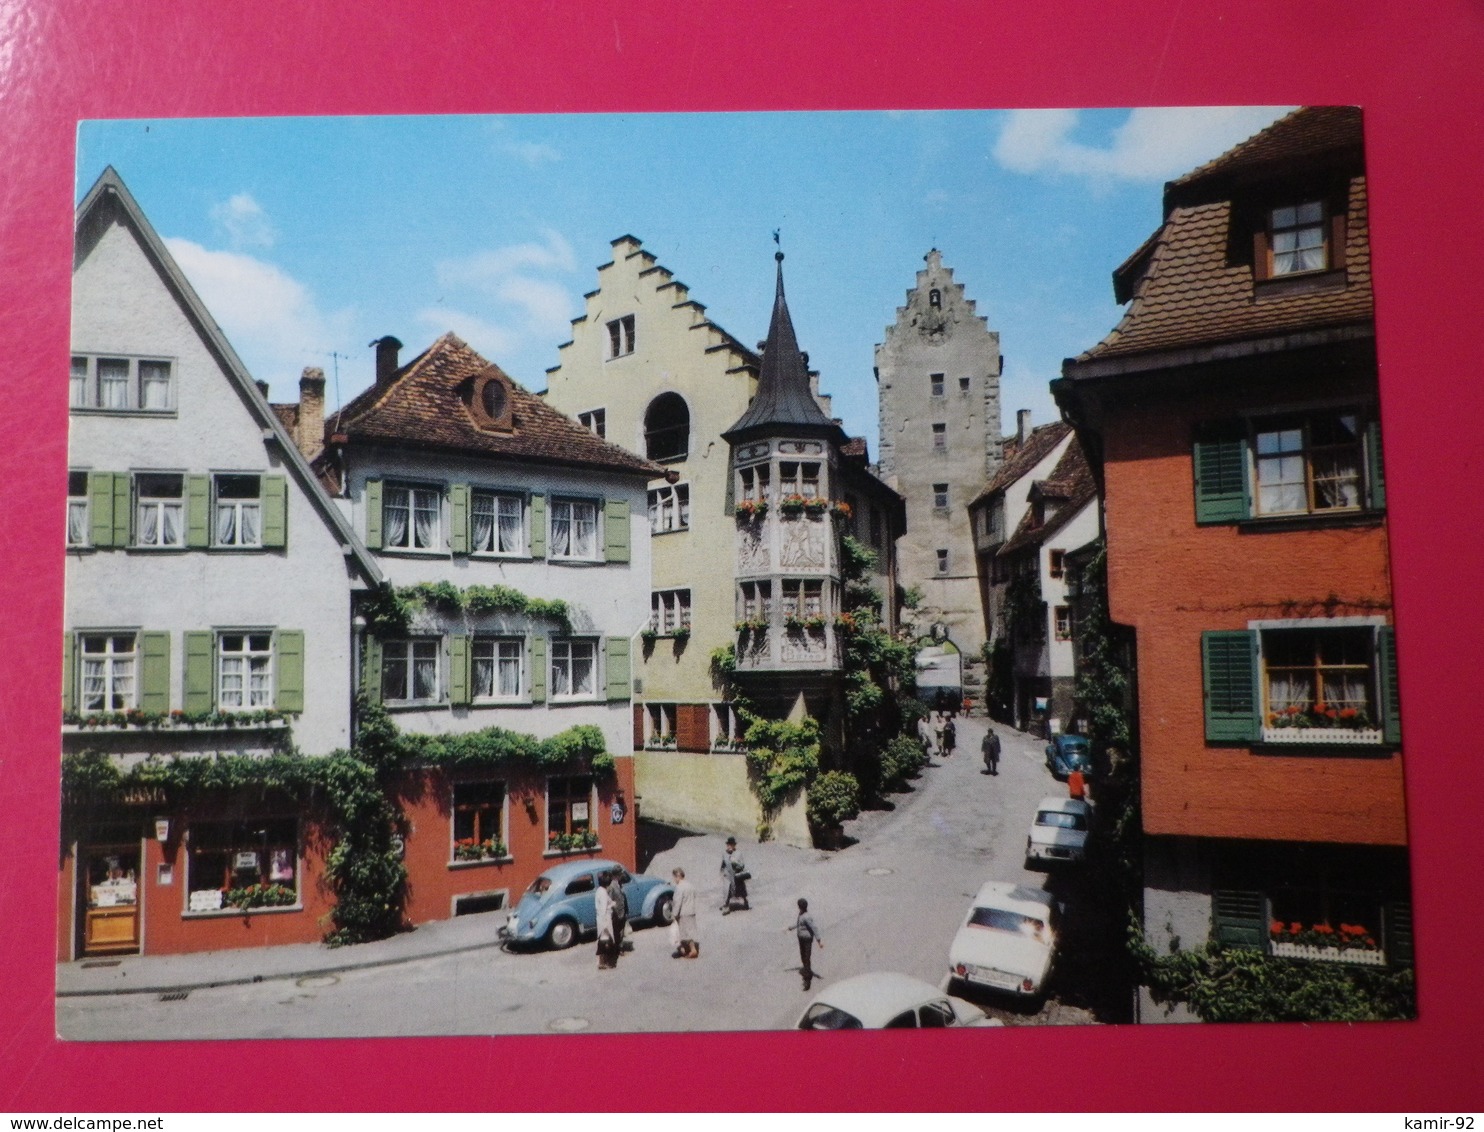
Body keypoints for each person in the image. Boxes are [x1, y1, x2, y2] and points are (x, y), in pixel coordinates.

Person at [786, 897, 823, 990]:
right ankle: (807, 970)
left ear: (801, 907)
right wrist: (792, 927)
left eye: (799, 906)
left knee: (806, 958)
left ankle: (807, 980)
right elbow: (799, 924)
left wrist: (819, 941)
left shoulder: (807, 917)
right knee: (803, 956)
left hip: (807, 939)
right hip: (801, 939)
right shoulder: (801, 914)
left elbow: (814, 928)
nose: (798, 908)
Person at [671, 867, 698, 958]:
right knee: (690, 931)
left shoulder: (679, 887)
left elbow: (677, 902)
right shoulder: (690, 885)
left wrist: (674, 914)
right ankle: (686, 949)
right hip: (691, 911)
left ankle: (691, 949)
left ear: (677, 876)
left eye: (674, 877)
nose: (674, 880)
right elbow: (694, 896)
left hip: (683, 913)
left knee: (684, 933)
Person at [720, 836, 749, 913]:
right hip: (728, 875)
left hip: (736, 875)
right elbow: (723, 863)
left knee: (741, 889)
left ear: (734, 846)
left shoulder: (738, 853)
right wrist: (722, 870)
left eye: (731, 845)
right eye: (728, 845)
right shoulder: (724, 853)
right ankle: (726, 905)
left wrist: (736, 865)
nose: (729, 846)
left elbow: (742, 864)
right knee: (727, 890)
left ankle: (745, 902)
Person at [594, 870, 616, 969]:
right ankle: (605, 962)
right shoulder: (603, 893)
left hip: (601, 919)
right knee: (605, 942)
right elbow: (603, 908)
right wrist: (605, 925)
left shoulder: (599, 890)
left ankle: (601, 961)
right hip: (605, 919)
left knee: (603, 941)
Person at [607, 869, 629, 955]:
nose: (622, 876)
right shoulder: (611, 887)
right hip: (616, 913)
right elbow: (609, 901)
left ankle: (620, 947)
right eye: (620, 875)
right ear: (616, 876)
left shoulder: (620, 884)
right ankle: (616, 949)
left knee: (621, 931)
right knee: (616, 932)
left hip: (622, 911)